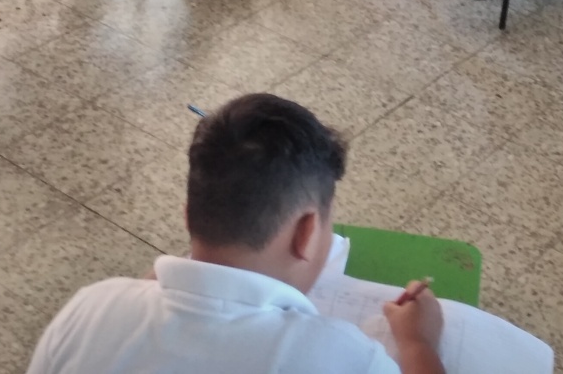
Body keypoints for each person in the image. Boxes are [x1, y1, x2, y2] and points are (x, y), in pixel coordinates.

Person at [24, 93, 446, 374]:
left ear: (189, 217)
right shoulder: (342, 357)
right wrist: (417, 345)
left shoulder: (89, 309)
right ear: (306, 232)